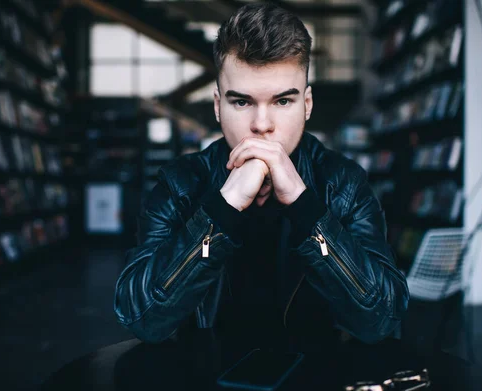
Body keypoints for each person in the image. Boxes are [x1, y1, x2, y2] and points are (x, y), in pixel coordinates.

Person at [114, 3, 409, 345]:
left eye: (283, 102)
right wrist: (222, 211)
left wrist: (305, 207)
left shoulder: (342, 183)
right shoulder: (180, 183)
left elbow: (382, 318)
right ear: (217, 106)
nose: (262, 125)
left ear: (307, 105)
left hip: (314, 381)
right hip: (204, 380)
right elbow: (140, 318)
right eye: (241, 102)